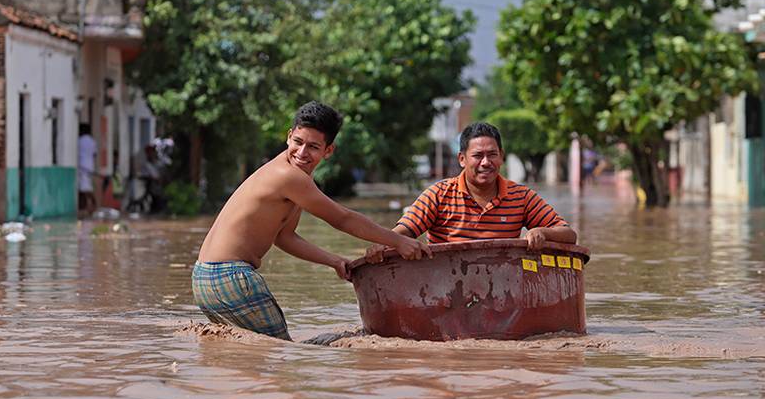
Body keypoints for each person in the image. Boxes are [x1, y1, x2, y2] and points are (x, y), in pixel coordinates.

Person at [193, 101, 431, 340]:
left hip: (205, 278)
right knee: (280, 352)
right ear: (289, 136)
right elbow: (343, 219)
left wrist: (334, 260)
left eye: (313, 147)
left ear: (328, 150)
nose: (302, 152)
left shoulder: (290, 176)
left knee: (252, 357)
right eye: (298, 142)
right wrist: (398, 242)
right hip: (229, 277)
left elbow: (284, 237)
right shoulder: (289, 177)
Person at [365, 122, 577, 262]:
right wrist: (381, 246)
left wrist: (542, 232)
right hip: (445, 288)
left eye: (492, 154)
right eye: (478, 156)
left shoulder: (521, 196)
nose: (486, 162)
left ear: (501, 157)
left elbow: (569, 234)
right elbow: (401, 234)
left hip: (503, 287)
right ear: (462, 159)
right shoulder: (438, 194)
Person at [77, 123, 97, 217]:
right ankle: (87, 207)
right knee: (86, 187)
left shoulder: (79, 140)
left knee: (84, 188)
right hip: (90, 166)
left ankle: (91, 205)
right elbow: (94, 154)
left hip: (81, 166)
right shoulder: (92, 141)